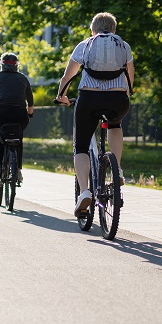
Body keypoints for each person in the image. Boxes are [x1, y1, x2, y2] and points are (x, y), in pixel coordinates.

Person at [55, 12, 134, 216]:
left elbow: (68, 76)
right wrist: (126, 93)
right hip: (117, 101)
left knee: (81, 145)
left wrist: (61, 96)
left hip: (89, 99)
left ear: (93, 30)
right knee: (115, 125)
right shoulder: (123, 45)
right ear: (114, 30)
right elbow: (130, 77)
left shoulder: (85, 44)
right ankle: (117, 170)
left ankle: (84, 193)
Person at [0, 52, 34, 184]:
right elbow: (30, 101)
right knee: (18, 139)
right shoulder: (22, 78)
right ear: (17, 66)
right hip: (19, 113)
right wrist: (29, 114)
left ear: (1, 65)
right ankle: (18, 170)